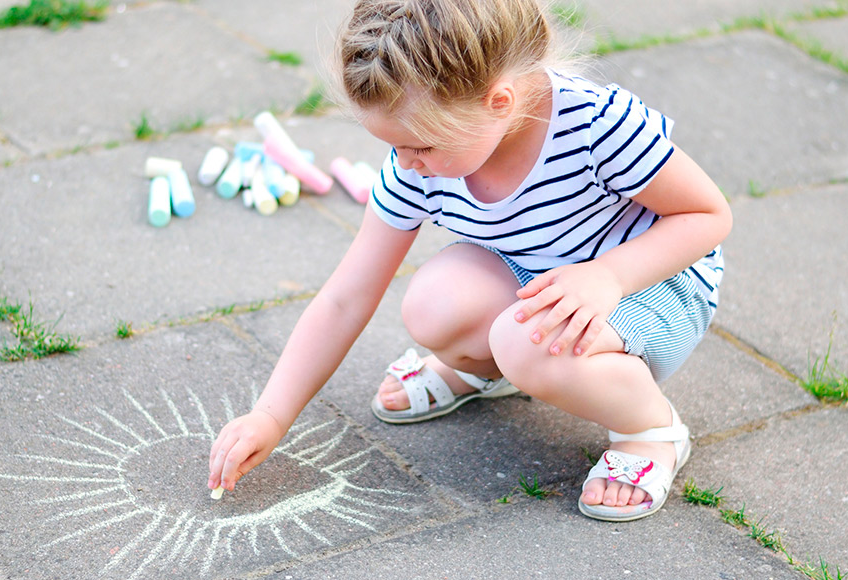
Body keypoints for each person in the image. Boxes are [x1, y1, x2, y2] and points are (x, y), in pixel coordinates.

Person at [209, 0, 731, 522]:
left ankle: (649, 430)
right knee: (433, 306)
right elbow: (347, 296)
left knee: (521, 343)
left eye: (422, 146)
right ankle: (488, 372)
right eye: (396, 146)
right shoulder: (422, 158)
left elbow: (708, 215)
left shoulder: (597, 124)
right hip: (539, 280)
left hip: (654, 285)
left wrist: (609, 276)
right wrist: (271, 416)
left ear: (498, 102)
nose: (409, 164)